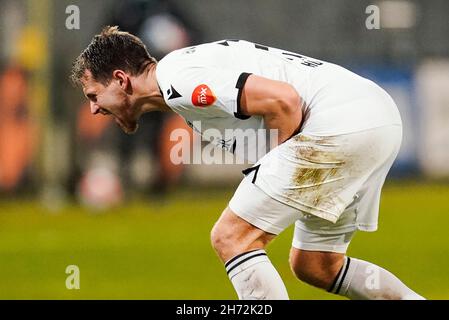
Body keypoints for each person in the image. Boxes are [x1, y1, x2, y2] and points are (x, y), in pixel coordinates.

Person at [70, 26, 425, 300]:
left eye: (94, 96)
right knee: (316, 265)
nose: (94, 109)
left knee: (233, 237)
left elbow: (282, 101)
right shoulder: (182, 79)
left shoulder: (178, 80)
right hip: (373, 118)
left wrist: (275, 161)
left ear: (120, 79)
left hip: (339, 123)